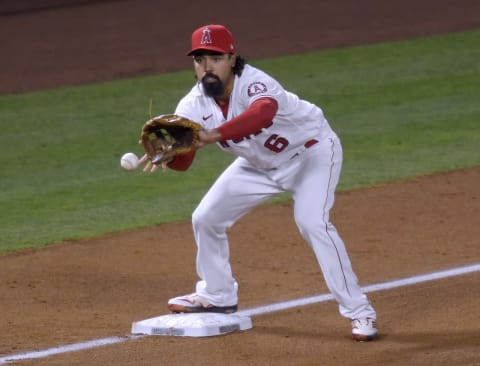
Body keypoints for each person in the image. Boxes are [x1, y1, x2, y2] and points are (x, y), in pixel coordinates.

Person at [140, 24, 378, 341]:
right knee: (206, 217)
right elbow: (186, 160)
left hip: (311, 155)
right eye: (199, 60)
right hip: (259, 166)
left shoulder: (254, 82)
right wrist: (170, 155)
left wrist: (214, 135)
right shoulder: (192, 106)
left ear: (232, 57)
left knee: (312, 222)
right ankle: (217, 295)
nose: (207, 67)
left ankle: (360, 312)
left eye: (215, 58)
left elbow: (263, 113)